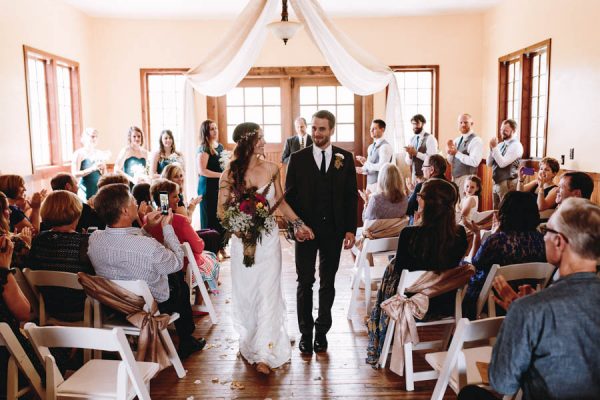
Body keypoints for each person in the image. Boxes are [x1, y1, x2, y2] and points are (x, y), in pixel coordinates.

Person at [460, 198, 600, 399]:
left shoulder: (530, 309)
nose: (542, 237)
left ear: (559, 241)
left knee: (470, 394)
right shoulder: (532, 308)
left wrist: (521, 316)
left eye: (547, 232)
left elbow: (503, 383)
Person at [218, 122, 314, 374]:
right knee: (248, 292)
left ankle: (265, 352)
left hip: (269, 240)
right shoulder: (229, 173)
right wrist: (239, 227)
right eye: (260, 138)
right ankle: (251, 338)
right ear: (246, 142)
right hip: (243, 242)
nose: (264, 142)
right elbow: (222, 210)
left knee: (268, 291)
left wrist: (299, 224)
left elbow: (281, 204)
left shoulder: (272, 168)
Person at [88, 183, 205, 359]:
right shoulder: (147, 246)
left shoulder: (95, 239)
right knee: (178, 281)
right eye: (133, 201)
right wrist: (167, 227)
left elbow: (129, 244)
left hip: (114, 303)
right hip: (149, 305)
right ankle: (186, 340)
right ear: (125, 211)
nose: (137, 203)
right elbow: (177, 262)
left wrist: (147, 228)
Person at [366, 179, 467, 365]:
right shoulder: (460, 234)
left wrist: (417, 226)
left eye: (420, 196)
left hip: (413, 305)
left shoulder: (409, 235)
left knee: (393, 271)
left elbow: (399, 272)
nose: (417, 199)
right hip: (445, 303)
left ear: (427, 203)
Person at [286, 110, 358, 356]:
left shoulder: (345, 158)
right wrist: (296, 227)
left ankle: (322, 332)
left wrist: (350, 228)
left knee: (328, 283)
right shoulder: (297, 159)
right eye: (314, 128)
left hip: (334, 231)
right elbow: (289, 199)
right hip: (305, 231)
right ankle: (305, 333)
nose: (316, 133)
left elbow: (351, 197)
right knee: (305, 282)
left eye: (322, 129)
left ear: (331, 130)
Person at [462, 191, 545, 319]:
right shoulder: (542, 240)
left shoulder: (498, 241)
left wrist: (477, 235)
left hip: (495, 299)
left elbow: (475, 264)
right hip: (527, 298)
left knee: (464, 267)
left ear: (504, 213)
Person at [27, 190, 95, 317]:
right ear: (76, 214)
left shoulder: (39, 240)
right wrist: (84, 241)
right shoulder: (84, 241)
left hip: (50, 304)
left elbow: (32, 267)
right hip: (82, 306)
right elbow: (94, 273)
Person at [148, 179, 220, 293]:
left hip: (161, 263)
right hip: (185, 263)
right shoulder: (180, 220)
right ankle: (199, 301)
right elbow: (199, 247)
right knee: (209, 257)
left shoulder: (149, 218)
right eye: (175, 196)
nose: (179, 199)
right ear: (164, 199)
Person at [197, 120, 225, 253]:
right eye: (211, 129)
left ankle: (221, 247)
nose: (215, 131)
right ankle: (210, 249)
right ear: (206, 132)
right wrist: (221, 175)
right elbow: (202, 170)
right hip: (208, 187)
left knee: (220, 217)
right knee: (210, 217)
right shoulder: (204, 148)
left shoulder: (220, 147)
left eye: (216, 128)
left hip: (219, 186)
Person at [487, 119, 523, 209]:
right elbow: (489, 163)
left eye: (505, 131)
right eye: (501, 130)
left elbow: (502, 164)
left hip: (508, 183)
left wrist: (494, 148)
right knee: (495, 210)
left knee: (506, 210)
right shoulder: (500, 145)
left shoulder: (516, 146)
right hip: (496, 183)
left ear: (513, 131)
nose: (502, 133)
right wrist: (491, 149)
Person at [447, 113, 483, 199]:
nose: (463, 124)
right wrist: (449, 152)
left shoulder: (476, 140)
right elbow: (451, 161)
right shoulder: (457, 140)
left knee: (465, 204)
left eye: (466, 122)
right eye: (461, 122)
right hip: (455, 177)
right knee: (456, 206)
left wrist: (456, 153)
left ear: (472, 123)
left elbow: (475, 162)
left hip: (467, 179)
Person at [71, 127, 109, 201]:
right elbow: (74, 174)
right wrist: (92, 168)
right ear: (85, 137)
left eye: (96, 137)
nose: (94, 139)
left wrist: (104, 168)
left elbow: (104, 175)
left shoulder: (100, 153)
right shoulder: (79, 154)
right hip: (85, 189)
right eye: (92, 136)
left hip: (98, 189)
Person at [356, 119, 393, 192]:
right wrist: (362, 169)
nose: (371, 130)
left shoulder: (385, 146)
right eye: (370, 128)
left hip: (380, 184)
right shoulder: (370, 147)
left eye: (374, 128)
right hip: (369, 184)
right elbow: (370, 165)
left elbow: (382, 167)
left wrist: (365, 162)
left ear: (382, 130)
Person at [404, 114, 438, 179]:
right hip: (414, 176)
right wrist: (409, 155)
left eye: (417, 124)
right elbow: (408, 162)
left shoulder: (430, 138)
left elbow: (432, 159)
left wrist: (416, 153)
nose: (414, 126)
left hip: (427, 176)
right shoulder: (411, 139)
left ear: (423, 124)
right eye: (413, 124)